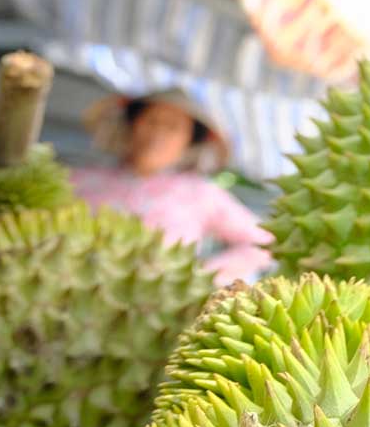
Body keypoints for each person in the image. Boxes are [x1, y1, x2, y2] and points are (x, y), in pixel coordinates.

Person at [71, 89, 273, 286]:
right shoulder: (81, 180)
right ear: (133, 124)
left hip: (157, 307)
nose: (158, 133)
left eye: (172, 127)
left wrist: (203, 276)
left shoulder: (200, 193)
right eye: (152, 121)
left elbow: (264, 244)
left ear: (188, 141)